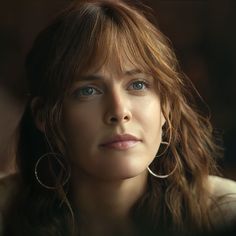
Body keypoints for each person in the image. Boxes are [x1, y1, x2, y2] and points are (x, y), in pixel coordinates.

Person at [1, 0, 236, 235]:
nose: (119, 111)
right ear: (43, 116)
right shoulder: (6, 213)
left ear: (165, 106)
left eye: (138, 84)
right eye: (88, 90)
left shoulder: (225, 214)